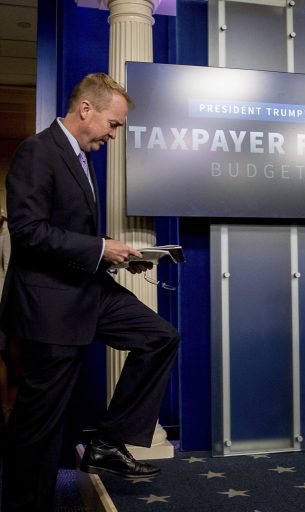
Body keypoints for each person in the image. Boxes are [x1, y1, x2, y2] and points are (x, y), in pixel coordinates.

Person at [0, 73, 180, 512]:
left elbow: (67, 232)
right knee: (40, 424)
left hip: (88, 289)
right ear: (86, 109)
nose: (114, 134)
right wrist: (100, 247)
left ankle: (106, 442)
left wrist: (116, 256)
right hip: (50, 305)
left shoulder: (80, 157)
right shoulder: (38, 151)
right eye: (113, 124)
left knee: (160, 337)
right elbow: (28, 233)